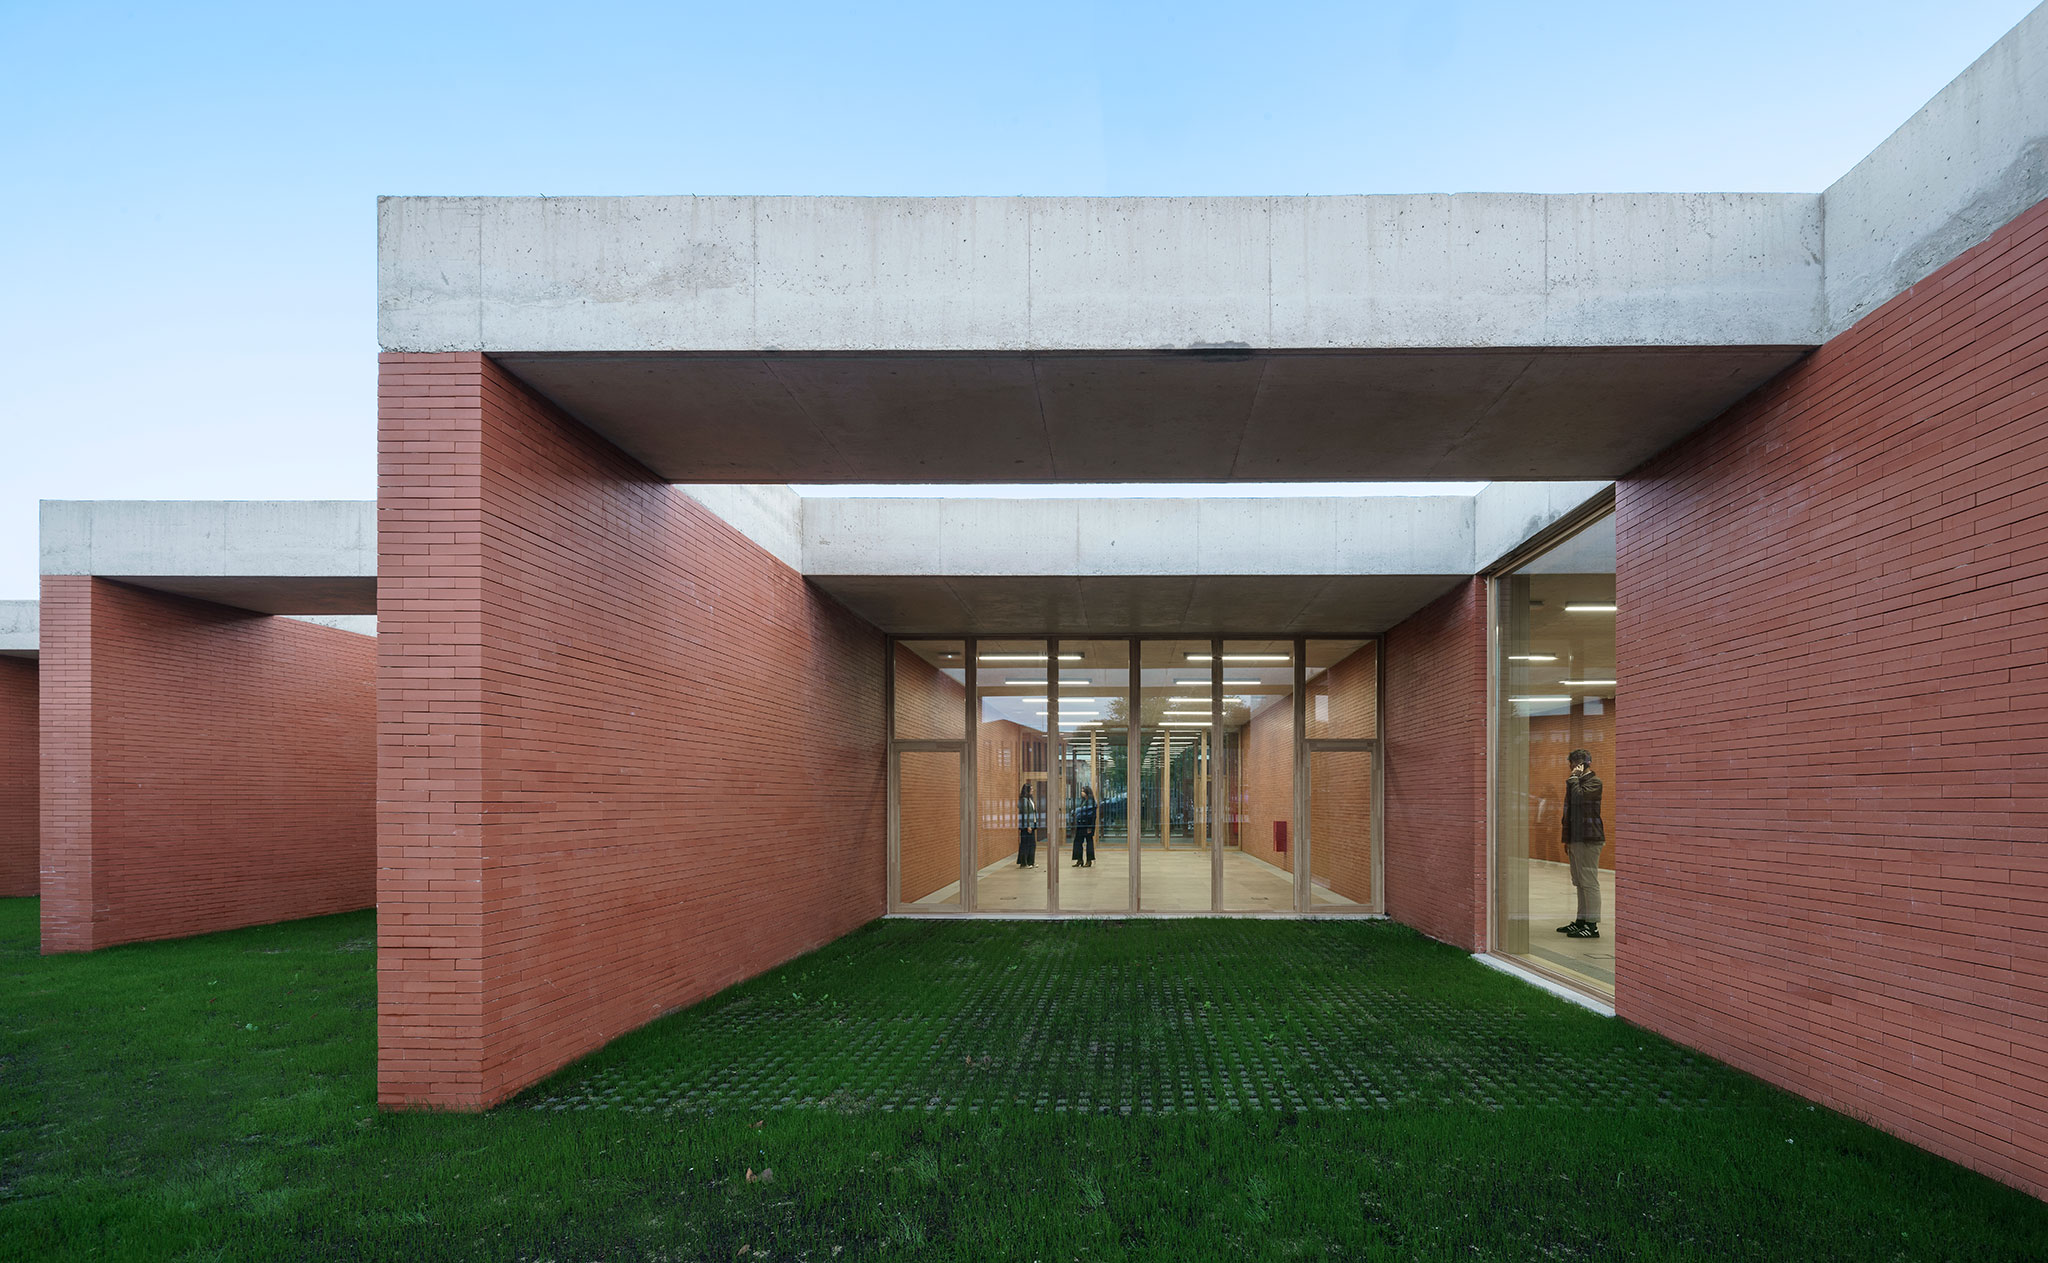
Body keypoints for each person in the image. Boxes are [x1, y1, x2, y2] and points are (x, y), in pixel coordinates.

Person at [1557, 748, 1606, 939]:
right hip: (1576, 839)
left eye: (1573, 764)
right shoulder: (1576, 783)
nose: (1570, 768)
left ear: (1580, 764)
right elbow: (1568, 814)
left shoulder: (1594, 782)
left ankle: (1592, 926)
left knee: (1589, 882)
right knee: (1579, 882)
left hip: (1589, 838)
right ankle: (1581, 921)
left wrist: (1574, 779)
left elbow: (1578, 801)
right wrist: (1567, 840)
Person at [1071, 786, 1098, 867]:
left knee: (1089, 843)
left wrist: (1090, 827)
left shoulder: (1091, 802)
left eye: (1083, 791)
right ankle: (1079, 860)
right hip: (1080, 825)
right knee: (1077, 842)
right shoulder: (1083, 801)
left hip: (1088, 825)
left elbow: (1092, 816)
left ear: (1087, 792)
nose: (1081, 793)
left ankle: (1089, 861)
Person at [1016, 781, 1038, 867]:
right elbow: (1025, 814)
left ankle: (1029, 862)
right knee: (1027, 844)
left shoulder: (1030, 799)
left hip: (1031, 824)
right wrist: (1028, 825)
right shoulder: (1024, 800)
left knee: (1030, 843)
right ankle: (1026, 862)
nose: (1033, 790)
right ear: (1027, 790)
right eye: (1031, 789)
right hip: (1027, 826)